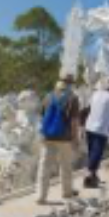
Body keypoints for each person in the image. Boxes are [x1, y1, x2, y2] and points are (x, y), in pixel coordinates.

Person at [36, 74, 81, 203]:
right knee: (65, 165)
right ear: (71, 83)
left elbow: (43, 116)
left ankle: (41, 195)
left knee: (44, 165)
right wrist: (75, 138)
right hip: (64, 137)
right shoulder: (73, 98)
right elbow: (74, 120)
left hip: (47, 136)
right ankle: (66, 192)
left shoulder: (48, 96)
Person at [82, 78, 109, 188]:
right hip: (102, 129)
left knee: (91, 153)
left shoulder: (95, 94)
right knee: (97, 154)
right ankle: (89, 175)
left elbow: (89, 108)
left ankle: (93, 176)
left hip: (89, 126)